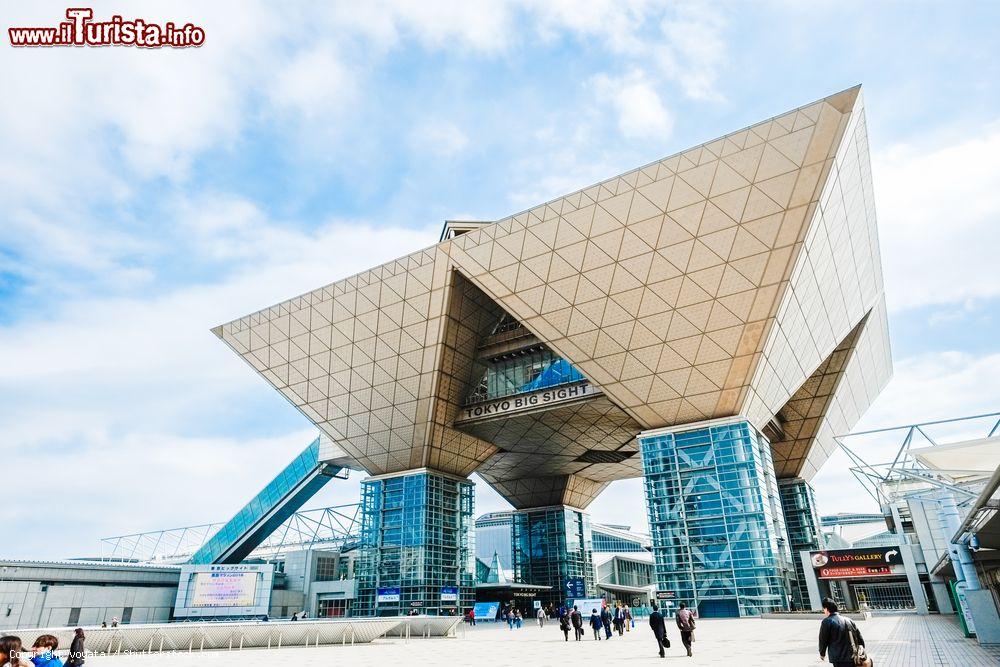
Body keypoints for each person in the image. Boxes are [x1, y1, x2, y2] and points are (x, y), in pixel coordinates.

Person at [819, 598, 867, 667]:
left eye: (823, 609)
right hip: (853, 656)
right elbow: (859, 638)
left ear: (826, 609)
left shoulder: (827, 621)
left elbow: (823, 640)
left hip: (838, 658)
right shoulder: (849, 620)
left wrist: (822, 653)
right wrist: (861, 651)